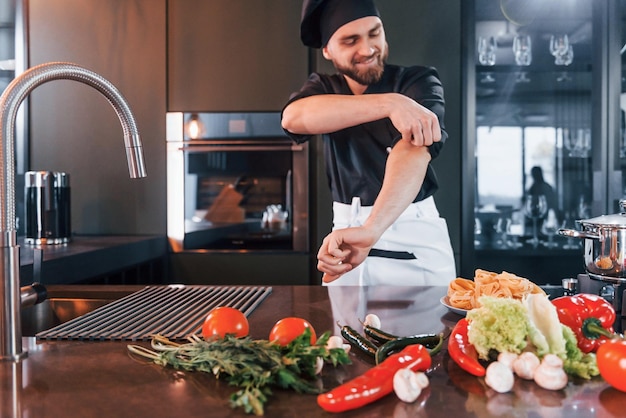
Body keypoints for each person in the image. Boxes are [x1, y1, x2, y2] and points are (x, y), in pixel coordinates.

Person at [281, 0, 456, 286]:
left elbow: (413, 150)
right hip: (345, 238)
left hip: (414, 233)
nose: (367, 49)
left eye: (374, 33)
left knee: (430, 330)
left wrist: (371, 229)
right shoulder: (323, 89)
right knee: (345, 330)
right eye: (350, 41)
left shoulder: (418, 81)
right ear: (327, 50)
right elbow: (293, 117)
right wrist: (391, 104)